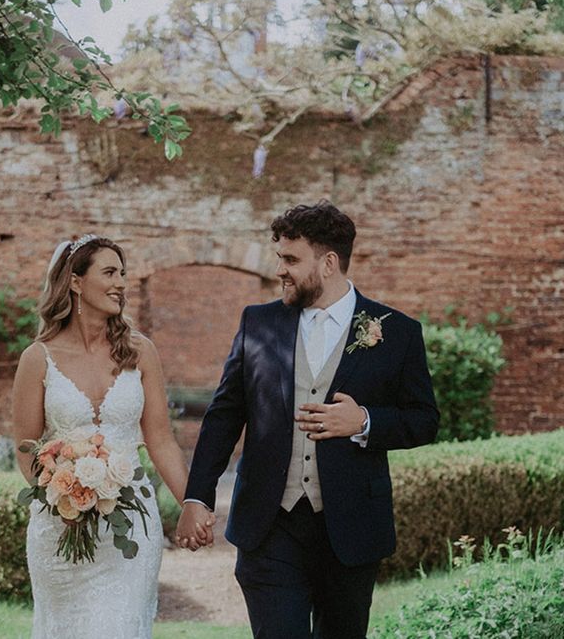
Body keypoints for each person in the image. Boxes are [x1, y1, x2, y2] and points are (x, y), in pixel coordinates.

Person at [176, 201, 439, 639]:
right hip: (269, 526)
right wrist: (196, 497)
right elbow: (224, 415)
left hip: (352, 528)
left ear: (329, 263)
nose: (280, 269)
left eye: (291, 259)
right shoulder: (257, 323)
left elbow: (424, 420)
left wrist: (364, 421)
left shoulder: (396, 332)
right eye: (280, 257)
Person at [12, 234, 214, 639]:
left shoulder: (141, 352)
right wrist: (64, 496)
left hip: (132, 525)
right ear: (75, 282)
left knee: (120, 627)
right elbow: (26, 448)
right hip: (60, 525)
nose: (121, 282)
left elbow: (159, 439)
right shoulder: (38, 358)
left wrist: (191, 503)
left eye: (123, 273)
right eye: (109, 272)